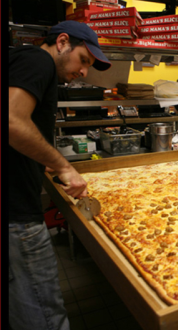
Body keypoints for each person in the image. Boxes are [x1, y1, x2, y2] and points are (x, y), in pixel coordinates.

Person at [9, 20, 111, 330]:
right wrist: (64, 165)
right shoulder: (38, 60)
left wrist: (51, 163)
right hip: (16, 213)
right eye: (83, 59)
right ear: (62, 41)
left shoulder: (21, 58)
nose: (84, 72)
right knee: (45, 313)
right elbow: (11, 121)